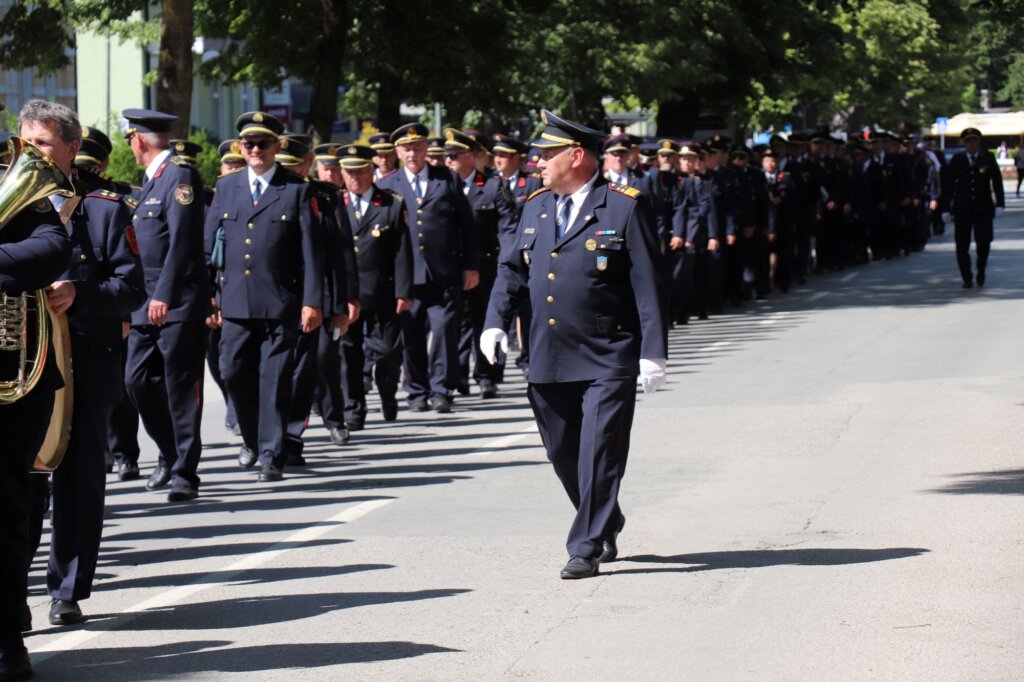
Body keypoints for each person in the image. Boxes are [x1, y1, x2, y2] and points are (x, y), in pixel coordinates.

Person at [481, 109, 668, 579]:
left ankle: (584, 546)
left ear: (577, 156)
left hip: (608, 353)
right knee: (563, 452)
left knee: (599, 450)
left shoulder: (623, 205)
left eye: (546, 154)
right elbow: (512, 271)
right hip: (547, 352)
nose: (537, 163)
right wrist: (494, 323)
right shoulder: (536, 205)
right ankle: (606, 515)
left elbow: (648, 282)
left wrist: (653, 352)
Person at [20, 99, 145, 627]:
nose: (32, 153)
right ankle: (11, 596)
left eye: (44, 144)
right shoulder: (10, 207)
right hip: (22, 366)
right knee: (19, 482)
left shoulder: (105, 208)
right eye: (26, 142)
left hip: (88, 365)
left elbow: (132, 288)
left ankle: (66, 590)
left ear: (72, 149)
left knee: (78, 479)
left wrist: (80, 292)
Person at [204, 111, 324, 482]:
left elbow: (311, 253)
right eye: (249, 144)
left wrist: (312, 301)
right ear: (242, 147)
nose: (255, 150)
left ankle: (272, 453)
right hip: (235, 302)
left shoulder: (297, 189)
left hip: (279, 302)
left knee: (275, 378)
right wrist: (207, 295)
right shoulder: (226, 188)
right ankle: (255, 439)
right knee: (232, 370)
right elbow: (208, 246)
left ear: (277, 147)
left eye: (263, 144)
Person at [0, 100, 72, 682]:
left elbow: (51, 249)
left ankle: (6, 639)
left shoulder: (19, 185)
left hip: (12, 386)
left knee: (6, 511)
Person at [122, 108, 209, 502]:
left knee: (180, 386)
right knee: (136, 380)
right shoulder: (152, 179)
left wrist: (165, 295)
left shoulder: (179, 174)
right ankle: (170, 452)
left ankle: (185, 473)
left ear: (139, 139)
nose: (131, 146)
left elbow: (184, 242)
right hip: (146, 302)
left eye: (131, 140)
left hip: (174, 303)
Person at [378, 122, 479, 413]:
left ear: (426, 149)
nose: (413, 153)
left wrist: (471, 266)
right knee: (411, 334)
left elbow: (467, 227)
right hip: (407, 274)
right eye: (407, 148)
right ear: (397, 151)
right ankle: (416, 390)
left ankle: (441, 389)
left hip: (444, 270)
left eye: (418, 147)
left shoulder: (446, 179)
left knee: (445, 330)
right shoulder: (387, 185)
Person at [336, 144, 413, 424]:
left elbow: (402, 251)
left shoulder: (391, 203)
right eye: (349, 172)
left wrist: (403, 291)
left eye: (360, 171)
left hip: (383, 290)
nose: (354, 178)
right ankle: (354, 408)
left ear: (371, 171)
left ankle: (387, 393)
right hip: (347, 293)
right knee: (348, 353)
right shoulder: (336, 203)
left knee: (389, 352)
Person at [445, 129, 516, 399]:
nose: (449, 160)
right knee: (455, 323)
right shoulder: (443, 187)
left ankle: (486, 375)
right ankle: (458, 374)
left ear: (471, 157)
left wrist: (507, 264)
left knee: (484, 320)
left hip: (487, 265)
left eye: (454, 155)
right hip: (453, 267)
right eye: (446, 156)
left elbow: (507, 228)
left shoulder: (492, 186)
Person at [940, 127, 1005, 288]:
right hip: (963, 209)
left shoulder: (987, 158)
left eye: (974, 140)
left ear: (979, 141)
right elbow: (948, 185)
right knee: (962, 245)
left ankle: (981, 270)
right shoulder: (958, 159)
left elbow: (997, 182)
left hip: (983, 208)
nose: (971, 144)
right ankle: (966, 277)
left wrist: (1000, 204)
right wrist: (945, 208)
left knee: (984, 243)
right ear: (964, 143)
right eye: (968, 141)